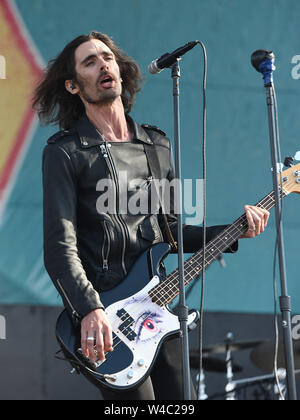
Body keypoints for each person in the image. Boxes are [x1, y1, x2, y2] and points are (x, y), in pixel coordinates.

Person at [33, 31, 270, 400]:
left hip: (156, 306)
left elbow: (171, 233)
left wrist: (237, 230)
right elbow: (60, 249)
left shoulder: (155, 144)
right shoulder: (66, 154)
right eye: (90, 62)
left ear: (120, 71)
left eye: (107, 57)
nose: (103, 65)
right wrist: (90, 309)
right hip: (107, 314)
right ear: (73, 85)